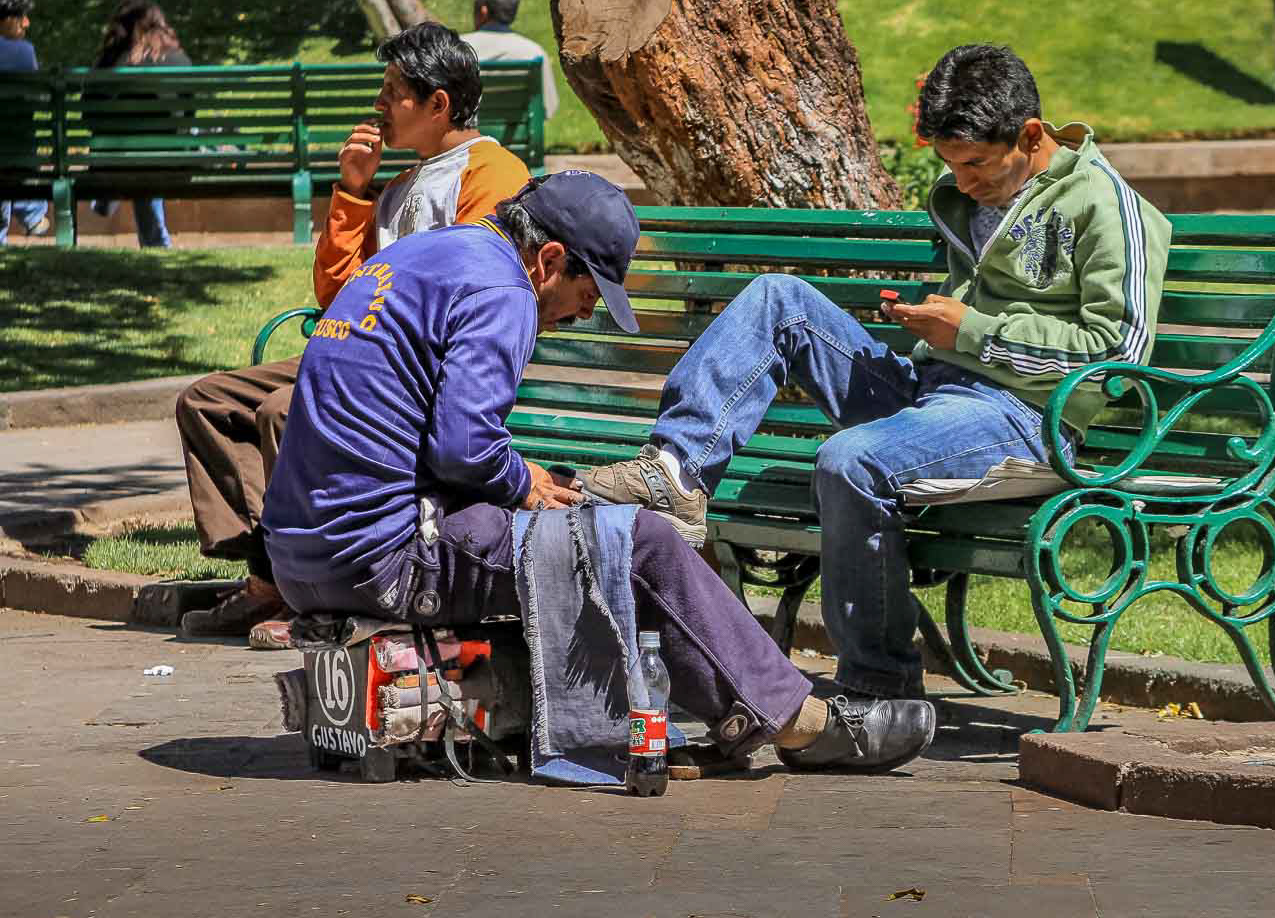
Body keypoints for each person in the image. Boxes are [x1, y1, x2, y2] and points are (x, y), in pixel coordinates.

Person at [261, 170, 937, 775]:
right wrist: (523, 484)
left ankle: (723, 706)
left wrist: (524, 480)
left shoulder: (427, 255)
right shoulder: (503, 288)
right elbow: (463, 449)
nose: (584, 313)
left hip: (304, 556)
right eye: (587, 294)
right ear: (549, 258)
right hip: (383, 556)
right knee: (640, 542)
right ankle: (795, 721)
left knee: (581, 524)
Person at [581, 44, 1173, 701]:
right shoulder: (965, 193)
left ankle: (877, 685)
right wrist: (938, 328)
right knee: (779, 299)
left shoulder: (1105, 204)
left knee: (849, 459)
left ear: (1030, 135)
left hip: (1028, 418)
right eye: (952, 163)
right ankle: (677, 471)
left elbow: (1117, 353)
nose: (964, 180)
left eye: (976, 163)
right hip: (935, 392)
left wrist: (970, 332)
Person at [177, 23, 532, 647]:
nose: (377, 105)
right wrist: (353, 191)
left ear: (437, 104)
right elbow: (335, 295)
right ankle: (268, 572)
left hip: (414, 369)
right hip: (356, 349)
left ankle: (297, 589)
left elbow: (480, 286)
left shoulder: (492, 174)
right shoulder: (398, 189)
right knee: (208, 402)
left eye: (392, 91)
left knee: (288, 411)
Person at [87, 0, 192, 248]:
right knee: (150, 154)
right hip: (168, 161)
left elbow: (88, 116)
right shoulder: (178, 60)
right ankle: (156, 243)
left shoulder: (109, 62)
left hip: (114, 162)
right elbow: (189, 117)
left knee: (132, 154)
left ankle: (109, 197)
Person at [459, 0, 559, 120]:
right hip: (518, 139)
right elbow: (548, 108)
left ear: (483, 10)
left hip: (467, 139)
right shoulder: (534, 53)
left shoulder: (456, 47)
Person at [0, 0, 49, 243]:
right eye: (21, 17)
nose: (26, 24)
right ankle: (32, 212)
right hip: (17, 152)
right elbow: (36, 99)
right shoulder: (23, 51)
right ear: (6, 20)